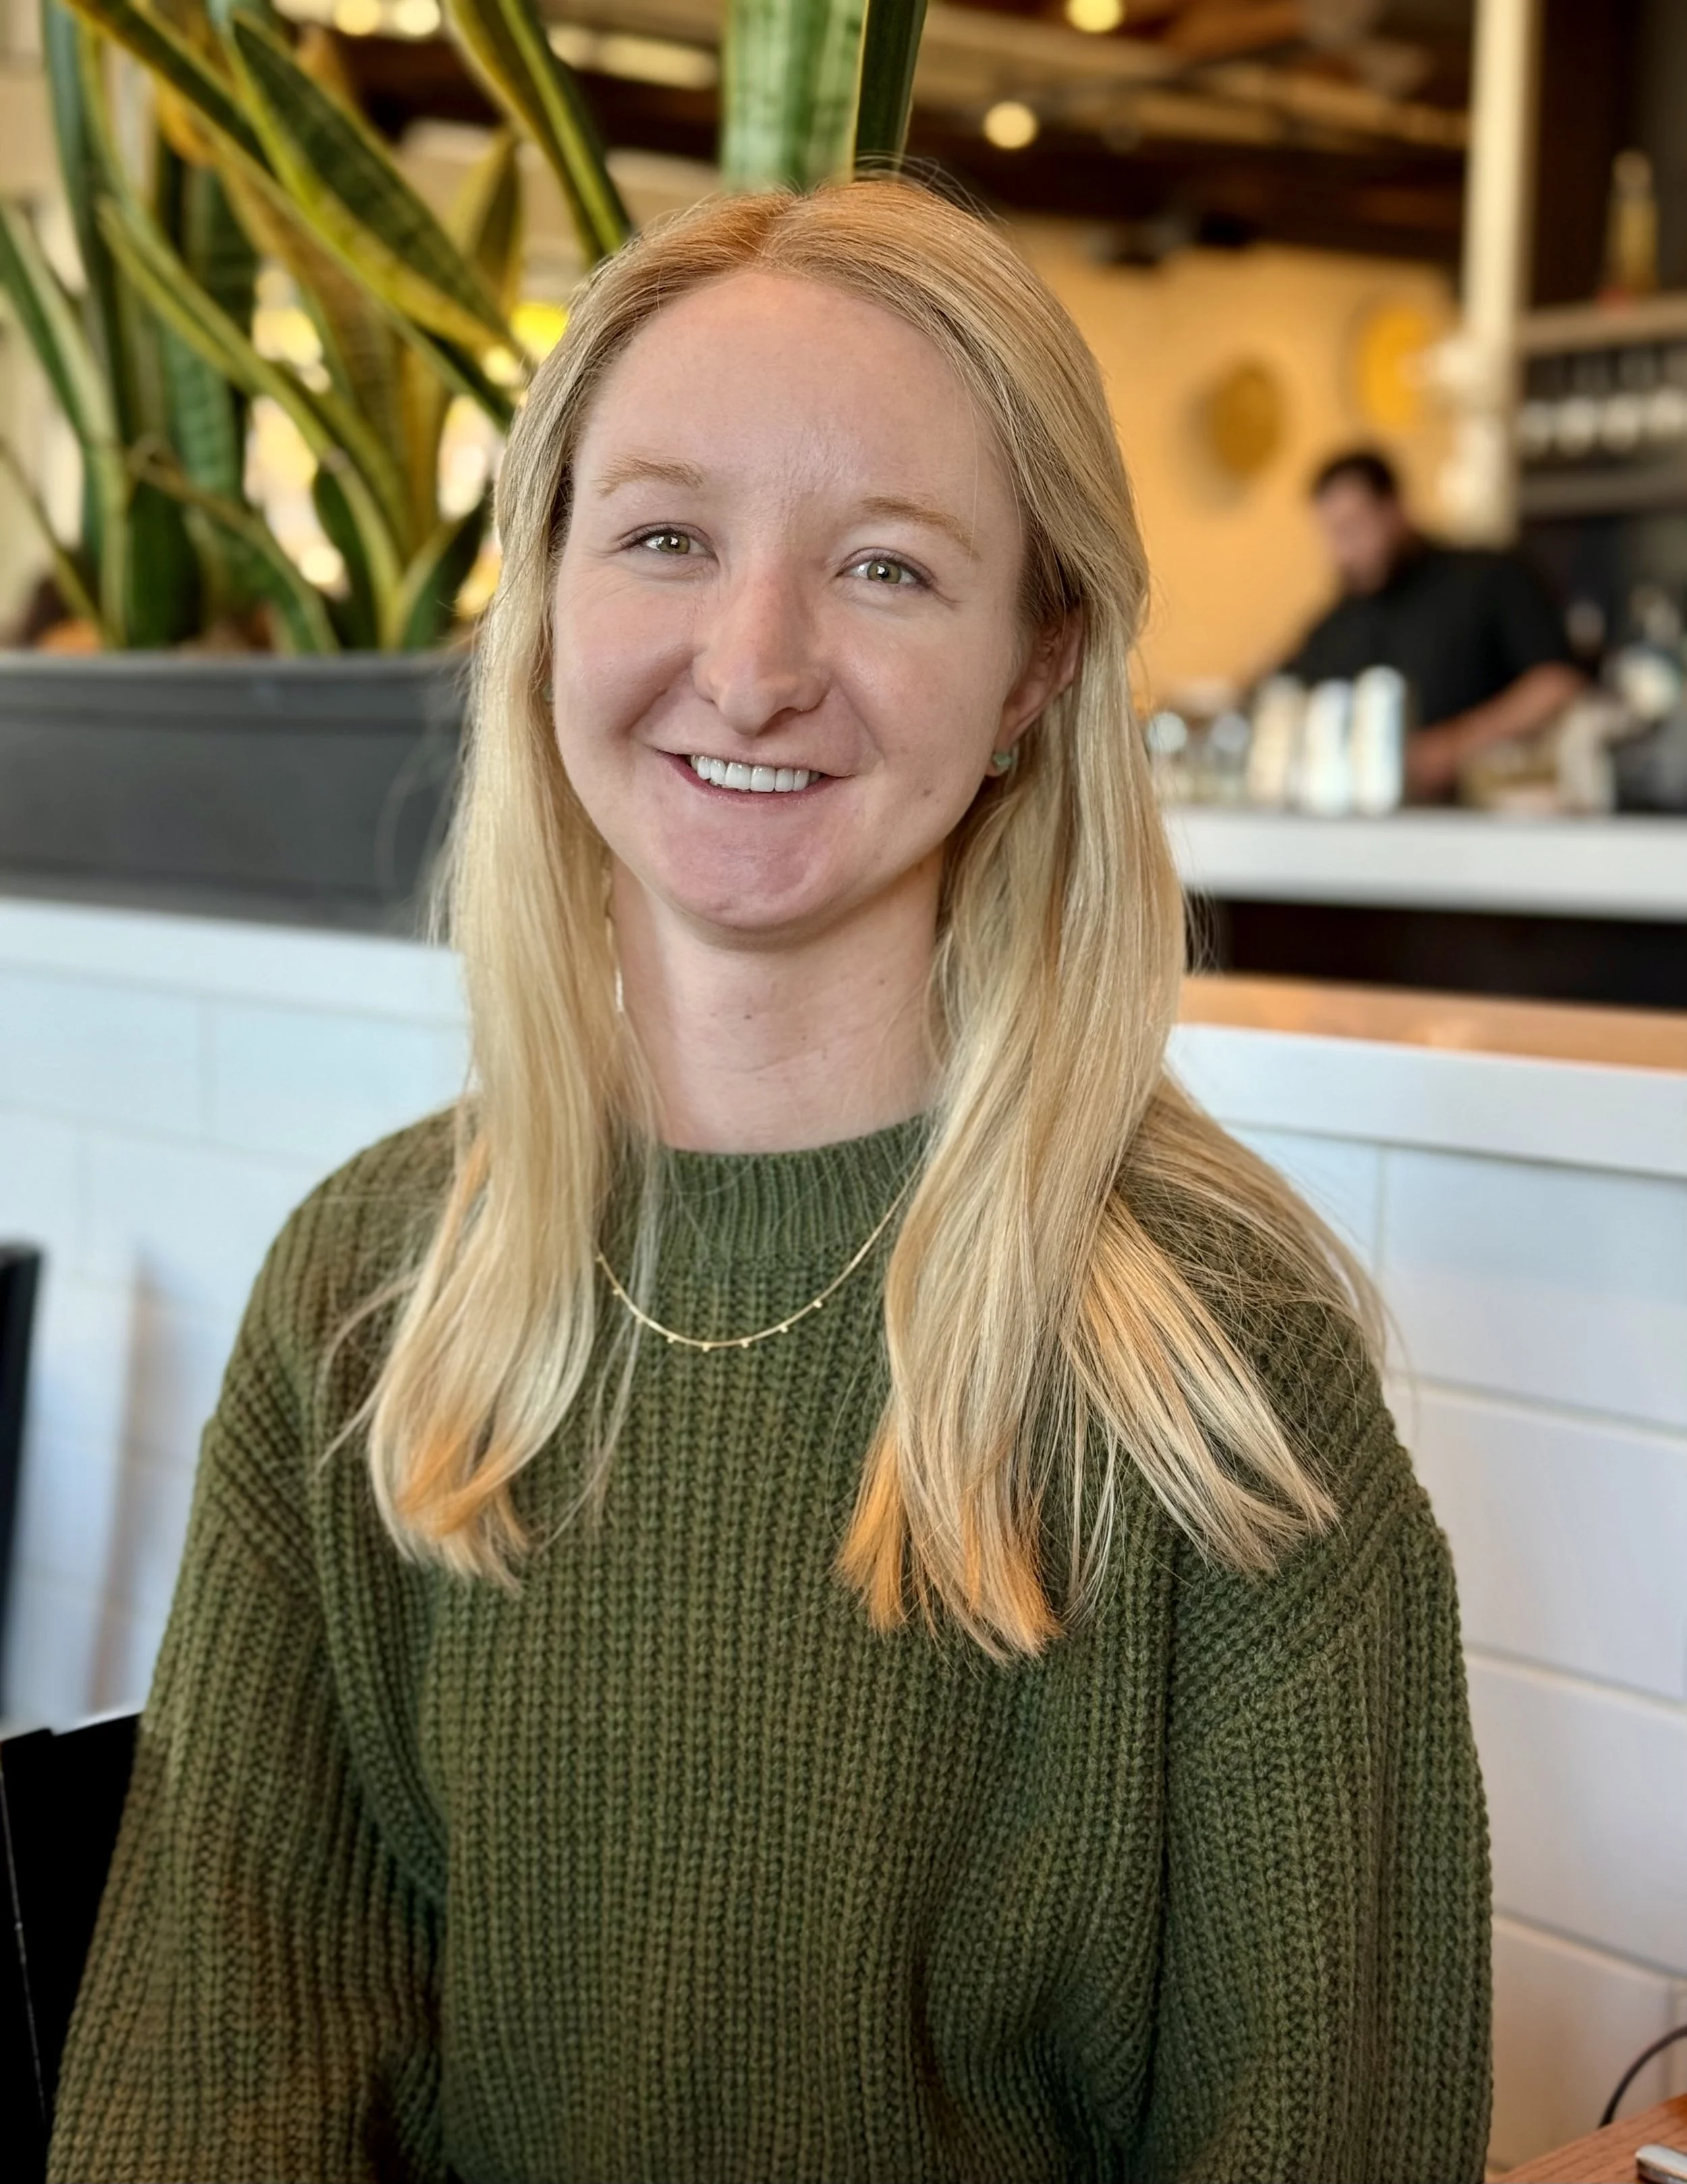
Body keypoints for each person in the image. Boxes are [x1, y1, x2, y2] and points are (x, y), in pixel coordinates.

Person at [49, 182, 1491, 2184]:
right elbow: (206, 2080)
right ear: (546, 591)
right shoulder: (369, 1290)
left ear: (1031, 664)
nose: (751, 663)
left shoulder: (1217, 1373)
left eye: (886, 568)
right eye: (661, 536)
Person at [1286, 447, 1586, 799]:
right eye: (1332, 533)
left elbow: (1557, 683)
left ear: (1394, 510)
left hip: (1493, 808)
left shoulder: (1488, 578)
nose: (1343, 550)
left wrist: (1454, 748)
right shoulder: (1338, 622)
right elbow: (1284, 691)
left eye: (1353, 526)